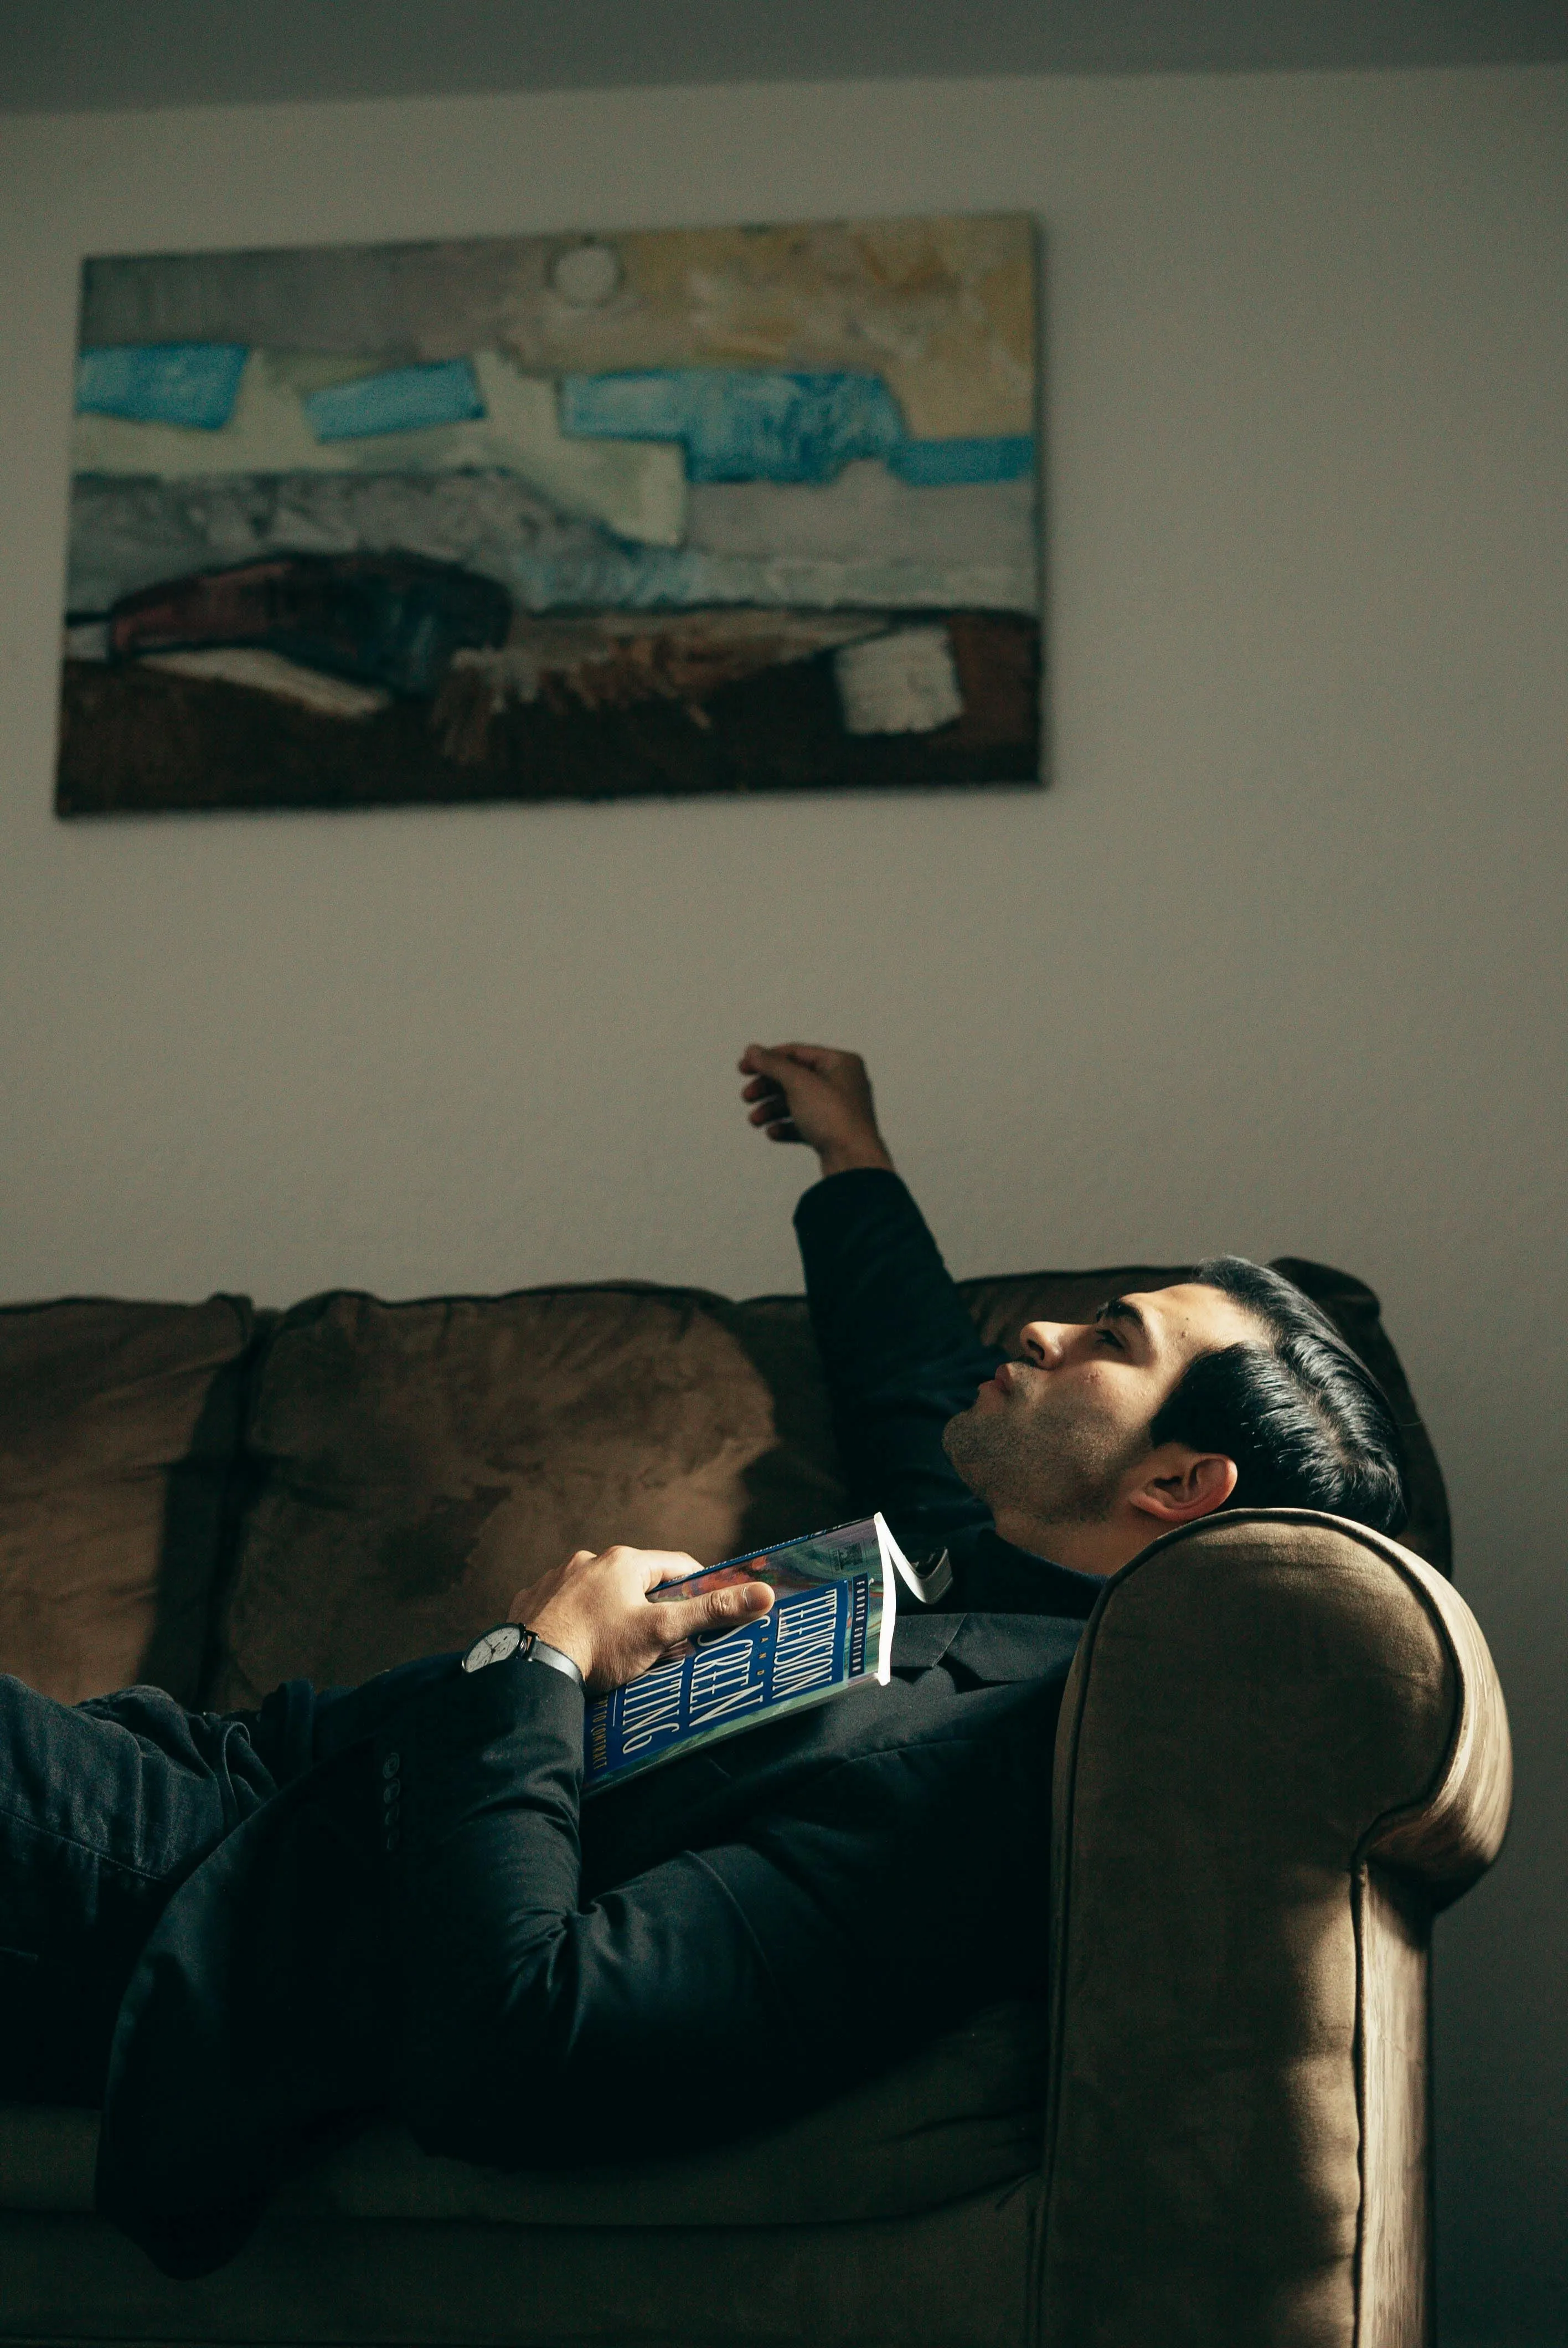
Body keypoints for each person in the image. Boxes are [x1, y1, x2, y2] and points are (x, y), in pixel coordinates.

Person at [1, 1042, 1408, 2278]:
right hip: (230, 1764)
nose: (1038, 1328)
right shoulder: (992, 1603)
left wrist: (538, 1658)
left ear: (1178, 1481)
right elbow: (920, 1387)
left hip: (215, 1899)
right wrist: (852, 1156)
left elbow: (523, 2042)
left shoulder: (987, 1766)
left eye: (1112, 1336)